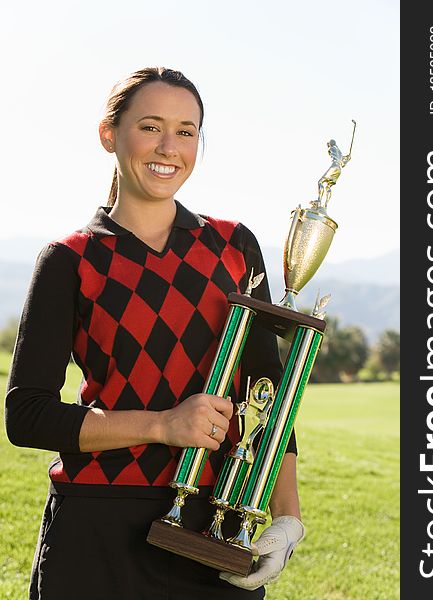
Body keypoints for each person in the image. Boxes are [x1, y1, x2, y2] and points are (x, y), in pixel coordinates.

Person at [5, 67, 304, 600]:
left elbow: (269, 390)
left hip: (216, 528)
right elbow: (27, 415)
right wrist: (165, 424)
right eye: (150, 126)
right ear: (109, 135)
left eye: (186, 131)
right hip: (96, 531)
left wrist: (287, 519)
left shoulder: (234, 246)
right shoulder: (70, 260)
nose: (170, 147)